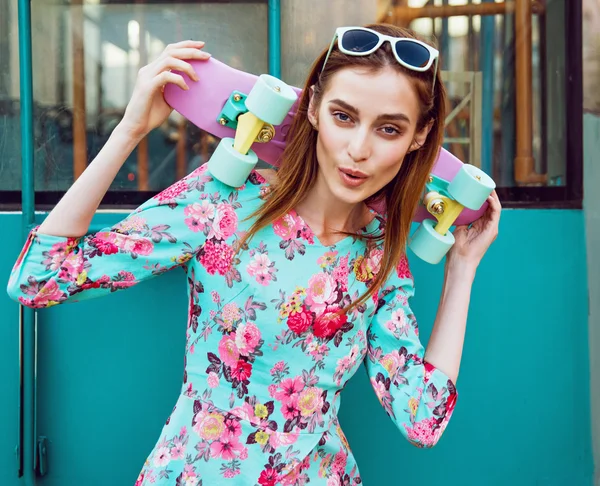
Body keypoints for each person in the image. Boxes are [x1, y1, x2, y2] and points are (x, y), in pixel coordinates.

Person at [7, 23, 501, 486]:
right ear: (311, 108)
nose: (357, 149)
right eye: (343, 116)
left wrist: (462, 271)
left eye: (388, 129)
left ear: (418, 137)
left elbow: (423, 419)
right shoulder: (224, 200)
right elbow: (38, 279)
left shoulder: (381, 255)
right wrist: (129, 131)